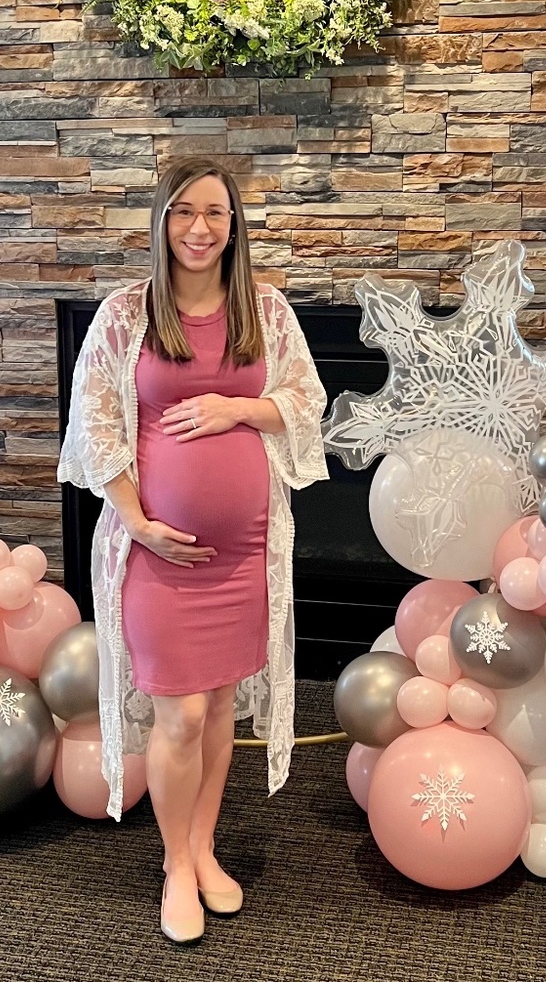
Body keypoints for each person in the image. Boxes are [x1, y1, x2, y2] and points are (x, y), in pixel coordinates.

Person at [57, 157, 328, 943]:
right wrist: (139, 522)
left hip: (244, 558)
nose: (199, 229)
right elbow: (96, 425)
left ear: (235, 224)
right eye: (183, 212)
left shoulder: (264, 310)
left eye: (214, 213)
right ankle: (176, 864)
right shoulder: (126, 313)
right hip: (158, 557)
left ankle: (204, 848)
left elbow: (305, 402)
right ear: (161, 221)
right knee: (178, 716)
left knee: (214, 712)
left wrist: (238, 407)